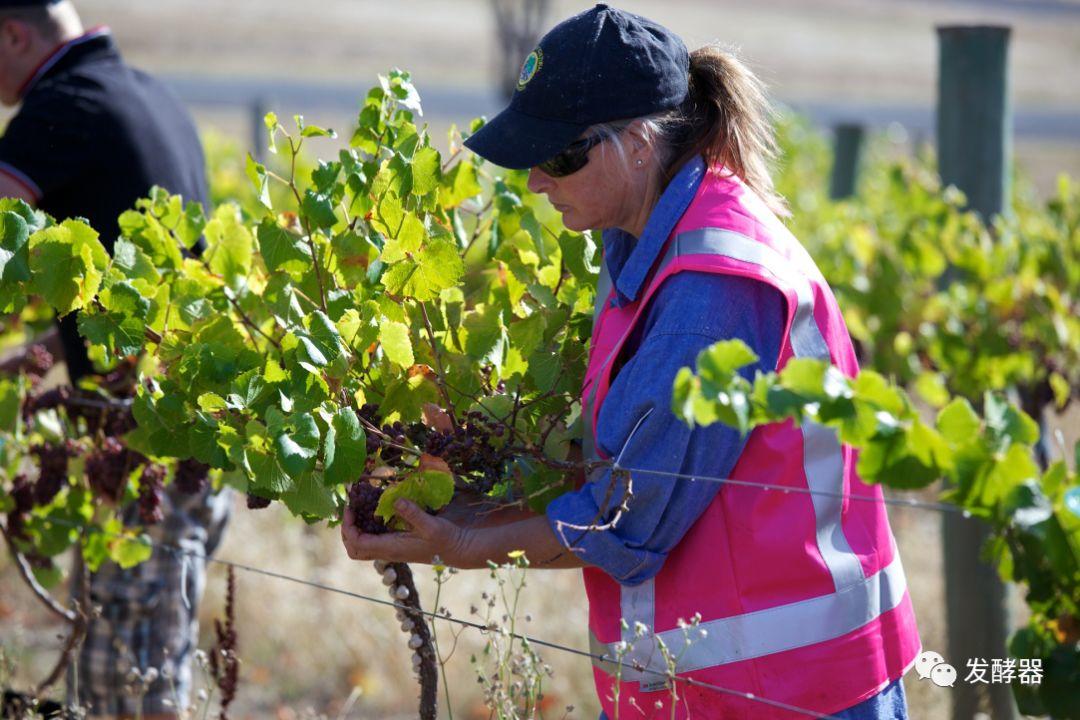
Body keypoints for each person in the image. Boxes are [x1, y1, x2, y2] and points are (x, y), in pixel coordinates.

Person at [341, 4, 921, 718]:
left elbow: (628, 521)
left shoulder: (709, 291)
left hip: (790, 693)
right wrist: (462, 498)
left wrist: (461, 540)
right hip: (734, 689)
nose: (536, 182)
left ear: (640, 143)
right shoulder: (646, 245)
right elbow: (619, 466)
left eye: (559, 157)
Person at [0, 2, 229, 718]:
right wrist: (24, 364)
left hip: (140, 453)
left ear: (12, 34)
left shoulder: (59, 110)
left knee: (123, 695)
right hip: (189, 441)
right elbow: (121, 310)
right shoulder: (147, 95)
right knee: (139, 676)